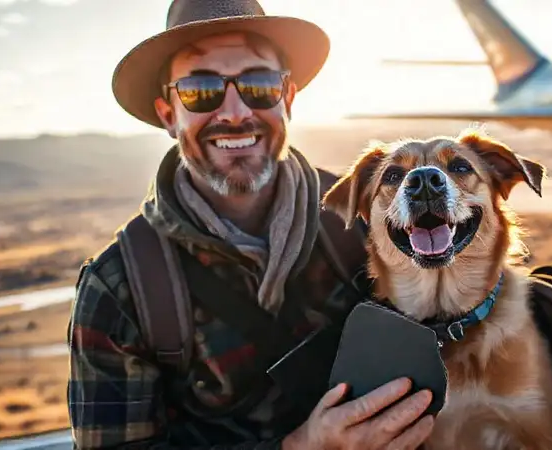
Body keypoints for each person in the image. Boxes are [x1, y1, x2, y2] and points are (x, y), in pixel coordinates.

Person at [66, 0, 435, 448]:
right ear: (168, 115)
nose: (236, 113)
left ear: (288, 99)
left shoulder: (369, 218)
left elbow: (473, 348)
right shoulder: (121, 289)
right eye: (201, 90)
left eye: (259, 85)